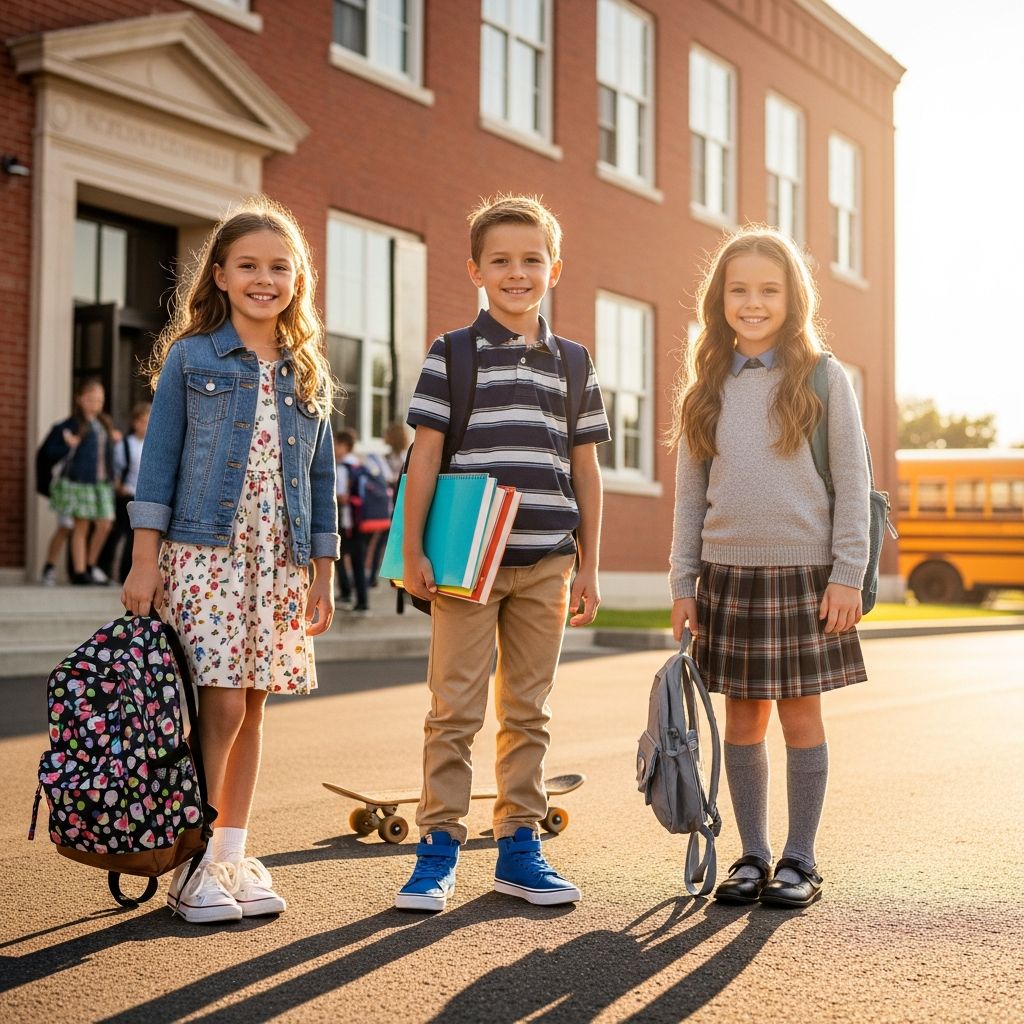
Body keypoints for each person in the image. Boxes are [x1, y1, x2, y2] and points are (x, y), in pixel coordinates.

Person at [121, 196, 338, 924]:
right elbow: (159, 465)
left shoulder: (306, 371)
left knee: (253, 705)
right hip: (206, 553)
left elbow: (319, 479)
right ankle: (191, 861)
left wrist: (323, 570)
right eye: (248, 265)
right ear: (219, 274)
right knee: (215, 703)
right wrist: (143, 560)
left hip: (278, 562)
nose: (263, 279)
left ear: (298, 280)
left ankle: (230, 855)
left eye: (280, 267)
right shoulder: (192, 357)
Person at [396, 193, 610, 912]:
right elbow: (424, 457)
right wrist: (413, 550)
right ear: (476, 271)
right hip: (467, 564)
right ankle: (437, 850)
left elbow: (587, 470)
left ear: (555, 268)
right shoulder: (451, 354)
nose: (517, 273)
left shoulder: (575, 363)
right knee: (452, 708)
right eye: (501, 261)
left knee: (528, 710)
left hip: (548, 559)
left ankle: (520, 846)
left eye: (531, 259)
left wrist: (590, 564)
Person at [667, 227, 870, 909]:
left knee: (801, 719)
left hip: (806, 577)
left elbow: (852, 477)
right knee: (744, 721)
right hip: (727, 577)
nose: (753, 303)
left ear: (793, 299)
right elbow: (690, 494)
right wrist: (682, 583)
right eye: (740, 290)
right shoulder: (707, 384)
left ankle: (800, 860)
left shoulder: (822, 376)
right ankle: (752, 855)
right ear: (719, 298)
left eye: (769, 291)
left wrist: (847, 571)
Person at [39, 378, 117, 585]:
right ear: (80, 400)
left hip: (100, 483)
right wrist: (68, 445)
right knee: (76, 526)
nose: (95, 404)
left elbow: (106, 456)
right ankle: (79, 571)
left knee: (105, 524)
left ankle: (90, 565)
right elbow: (48, 453)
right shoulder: (70, 425)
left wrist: (112, 476)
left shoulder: (104, 424)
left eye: (99, 400)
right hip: (77, 482)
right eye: (91, 399)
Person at [99, 401, 150, 582]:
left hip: (143, 498)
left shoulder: (152, 445)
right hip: (127, 495)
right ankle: (107, 571)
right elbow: (116, 468)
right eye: (143, 421)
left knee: (135, 539)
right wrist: (118, 486)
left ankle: (126, 575)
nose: (146, 425)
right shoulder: (125, 444)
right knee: (118, 534)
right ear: (135, 422)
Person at [334, 428, 369, 612]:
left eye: (337, 444)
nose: (334, 447)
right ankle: (362, 601)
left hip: (347, 522)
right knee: (358, 562)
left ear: (344, 446)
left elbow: (341, 495)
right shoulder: (360, 465)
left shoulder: (343, 467)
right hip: (361, 521)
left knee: (338, 557)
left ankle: (347, 594)